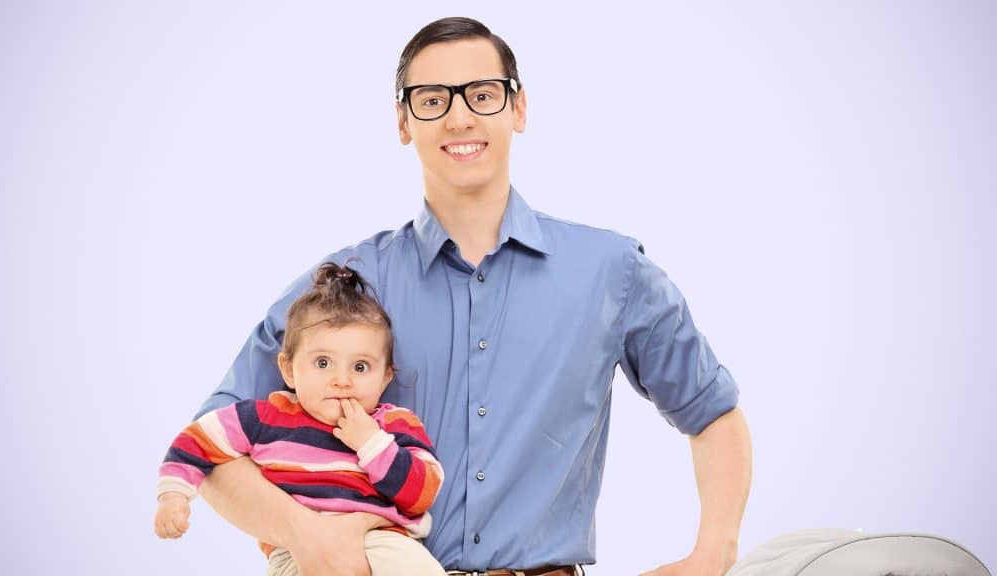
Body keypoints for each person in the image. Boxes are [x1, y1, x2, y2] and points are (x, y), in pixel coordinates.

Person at [197, 16, 753, 576]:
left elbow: (712, 413)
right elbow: (207, 445)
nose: (460, 117)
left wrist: (714, 553)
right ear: (402, 120)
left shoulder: (610, 271)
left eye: (482, 95)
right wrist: (306, 535)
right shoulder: (348, 283)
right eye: (432, 98)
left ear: (518, 108)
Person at [154, 263, 447, 576]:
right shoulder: (264, 418)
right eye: (323, 363)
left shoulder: (393, 424)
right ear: (289, 369)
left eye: (360, 367)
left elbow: (422, 494)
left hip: (383, 543)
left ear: (385, 377)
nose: (342, 380)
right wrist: (173, 494)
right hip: (294, 552)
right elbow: (198, 439)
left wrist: (372, 443)